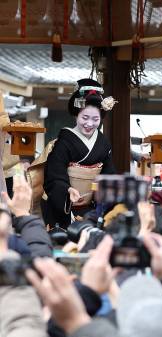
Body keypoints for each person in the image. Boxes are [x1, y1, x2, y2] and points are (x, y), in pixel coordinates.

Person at [42, 78, 117, 229]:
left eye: (95, 119)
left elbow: (108, 174)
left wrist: (103, 191)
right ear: (76, 115)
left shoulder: (103, 143)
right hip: (65, 206)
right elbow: (54, 175)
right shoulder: (65, 141)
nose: (90, 124)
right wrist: (67, 190)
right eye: (85, 117)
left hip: (92, 207)